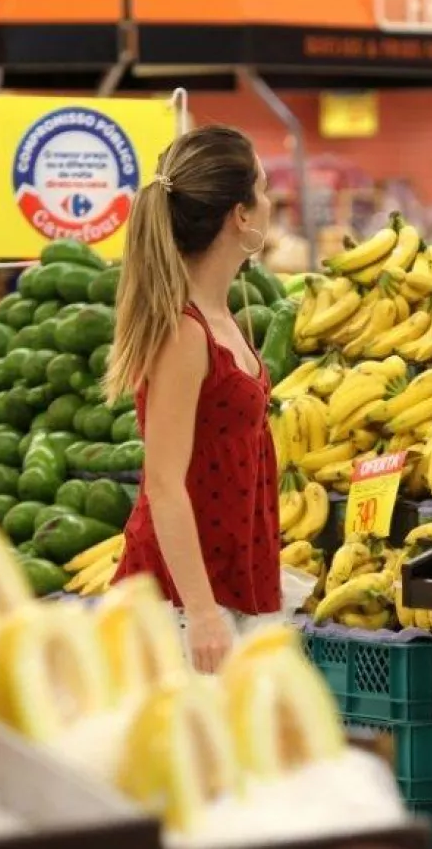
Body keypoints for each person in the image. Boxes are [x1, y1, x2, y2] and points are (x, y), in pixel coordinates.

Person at [105, 125, 280, 674]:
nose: (272, 202)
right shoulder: (185, 333)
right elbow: (162, 481)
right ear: (240, 215)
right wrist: (203, 614)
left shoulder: (222, 315)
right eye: (265, 188)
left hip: (224, 576)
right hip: (180, 601)